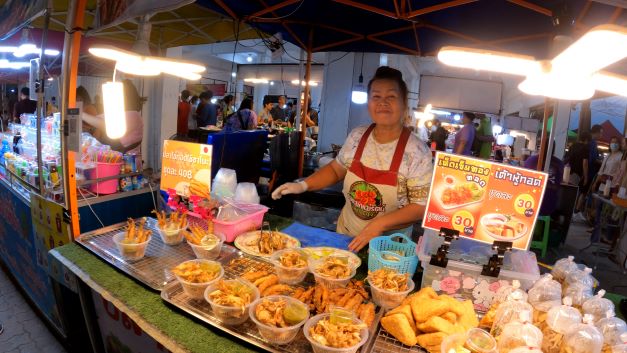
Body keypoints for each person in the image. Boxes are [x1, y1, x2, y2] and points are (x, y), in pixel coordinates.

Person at [272, 66, 433, 252]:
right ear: (368, 103)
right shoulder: (358, 136)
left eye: (391, 96)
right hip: (346, 236)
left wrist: (379, 224)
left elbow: (420, 207)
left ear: (404, 103)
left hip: (388, 248)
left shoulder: (417, 151)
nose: (383, 102)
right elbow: (335, 169)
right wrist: (303, 185)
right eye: (376, 97)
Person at [81, 79, 144, 154]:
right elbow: (95, 120)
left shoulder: (134, 115)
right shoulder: (114, 113)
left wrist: (81, 114)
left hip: (127, 163)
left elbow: (105, 125)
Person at [523, 142, 564, 216]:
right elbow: (558, 183)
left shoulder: (530, 160)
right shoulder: (559, 164)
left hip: (528, 204)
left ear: (540, 148)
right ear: (553, 150)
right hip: (549, 205)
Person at [569, 133, 591, 219]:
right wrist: (586, 177)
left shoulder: (573, 145)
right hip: (576, 173)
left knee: (568, 191)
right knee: (572, 194)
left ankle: (567, 213)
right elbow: (585, 163)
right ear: (586, 140)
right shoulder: (585, 148)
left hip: (568, 171)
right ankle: (570, 214)